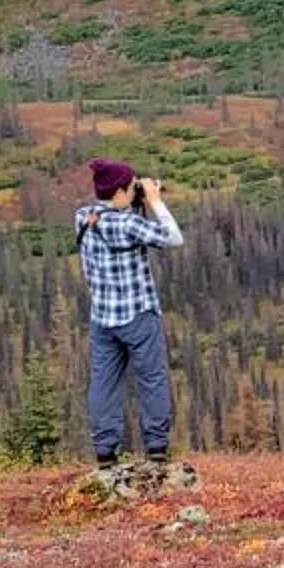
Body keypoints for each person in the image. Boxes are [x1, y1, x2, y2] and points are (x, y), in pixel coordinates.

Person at [75, 159, 184, 469]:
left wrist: (134, 199)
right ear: (122, 190)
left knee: (103, 383)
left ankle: (106, 452)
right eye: (132, 185)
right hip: (138, 315)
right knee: (151, 380)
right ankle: (157, 449)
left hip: (103, 319)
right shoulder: (128, 225)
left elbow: (113, 218)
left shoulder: (84, 218)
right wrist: (155, 201)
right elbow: (173, 238)